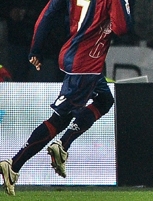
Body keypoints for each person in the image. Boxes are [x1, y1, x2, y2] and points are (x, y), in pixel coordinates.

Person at [0, 0, 132, 196]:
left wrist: (36, 48)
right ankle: (24, 160)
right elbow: (122, 28)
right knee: (60, 118)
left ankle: (46, 152)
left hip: (72, 54)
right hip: (86, 64)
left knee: (104, 100)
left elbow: (47, 14)